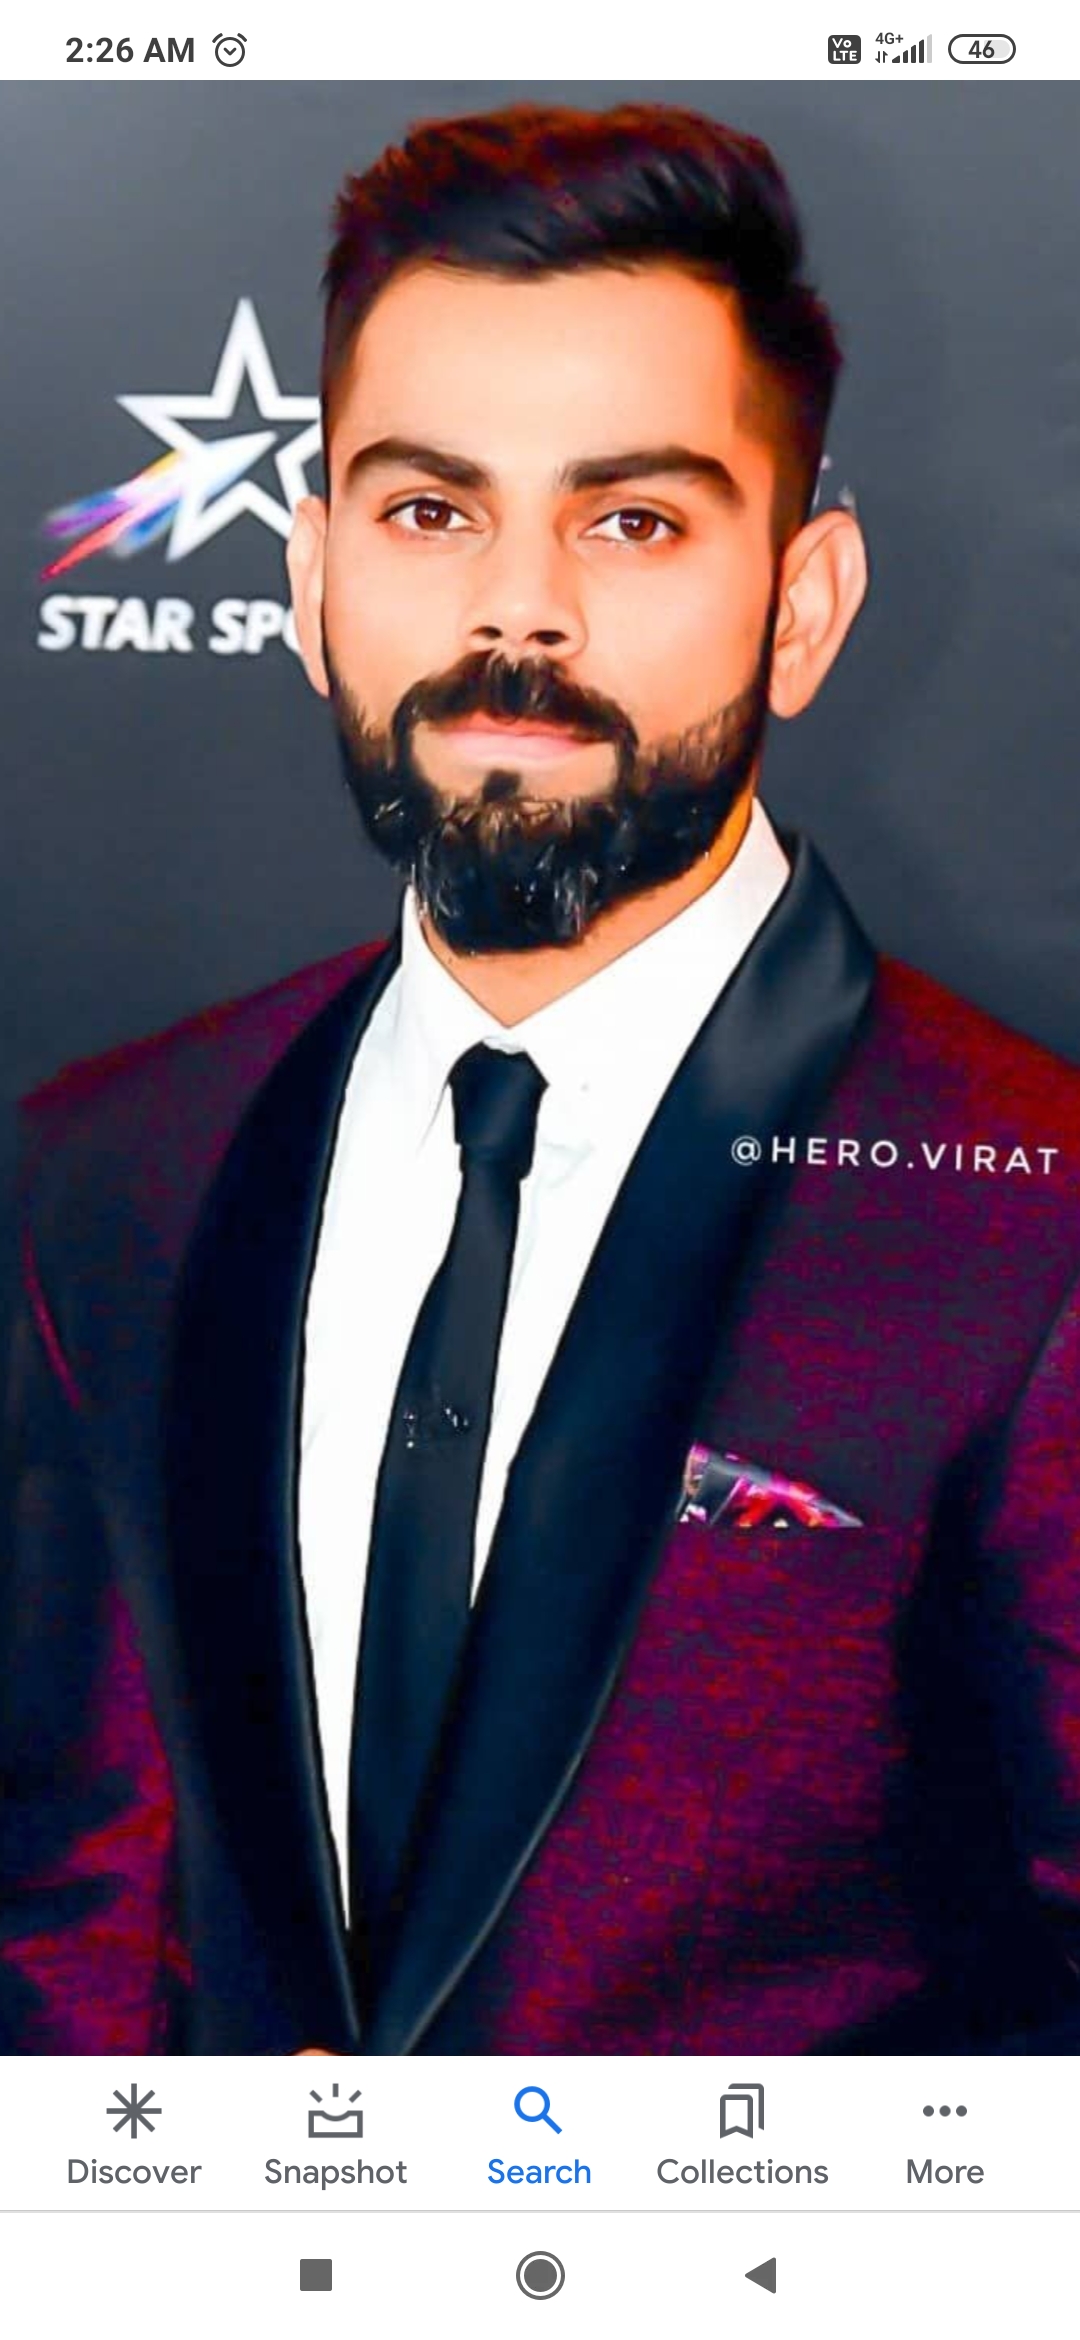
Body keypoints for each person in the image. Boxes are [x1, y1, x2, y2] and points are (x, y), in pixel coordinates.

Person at [4, 102, 1080, 2057]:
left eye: (631, 520)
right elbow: (69, 1904)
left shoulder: (1039, 1218)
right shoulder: (106, 1171)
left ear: (805, 604)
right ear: (311, 576)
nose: (520, 613)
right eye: (431, 513)